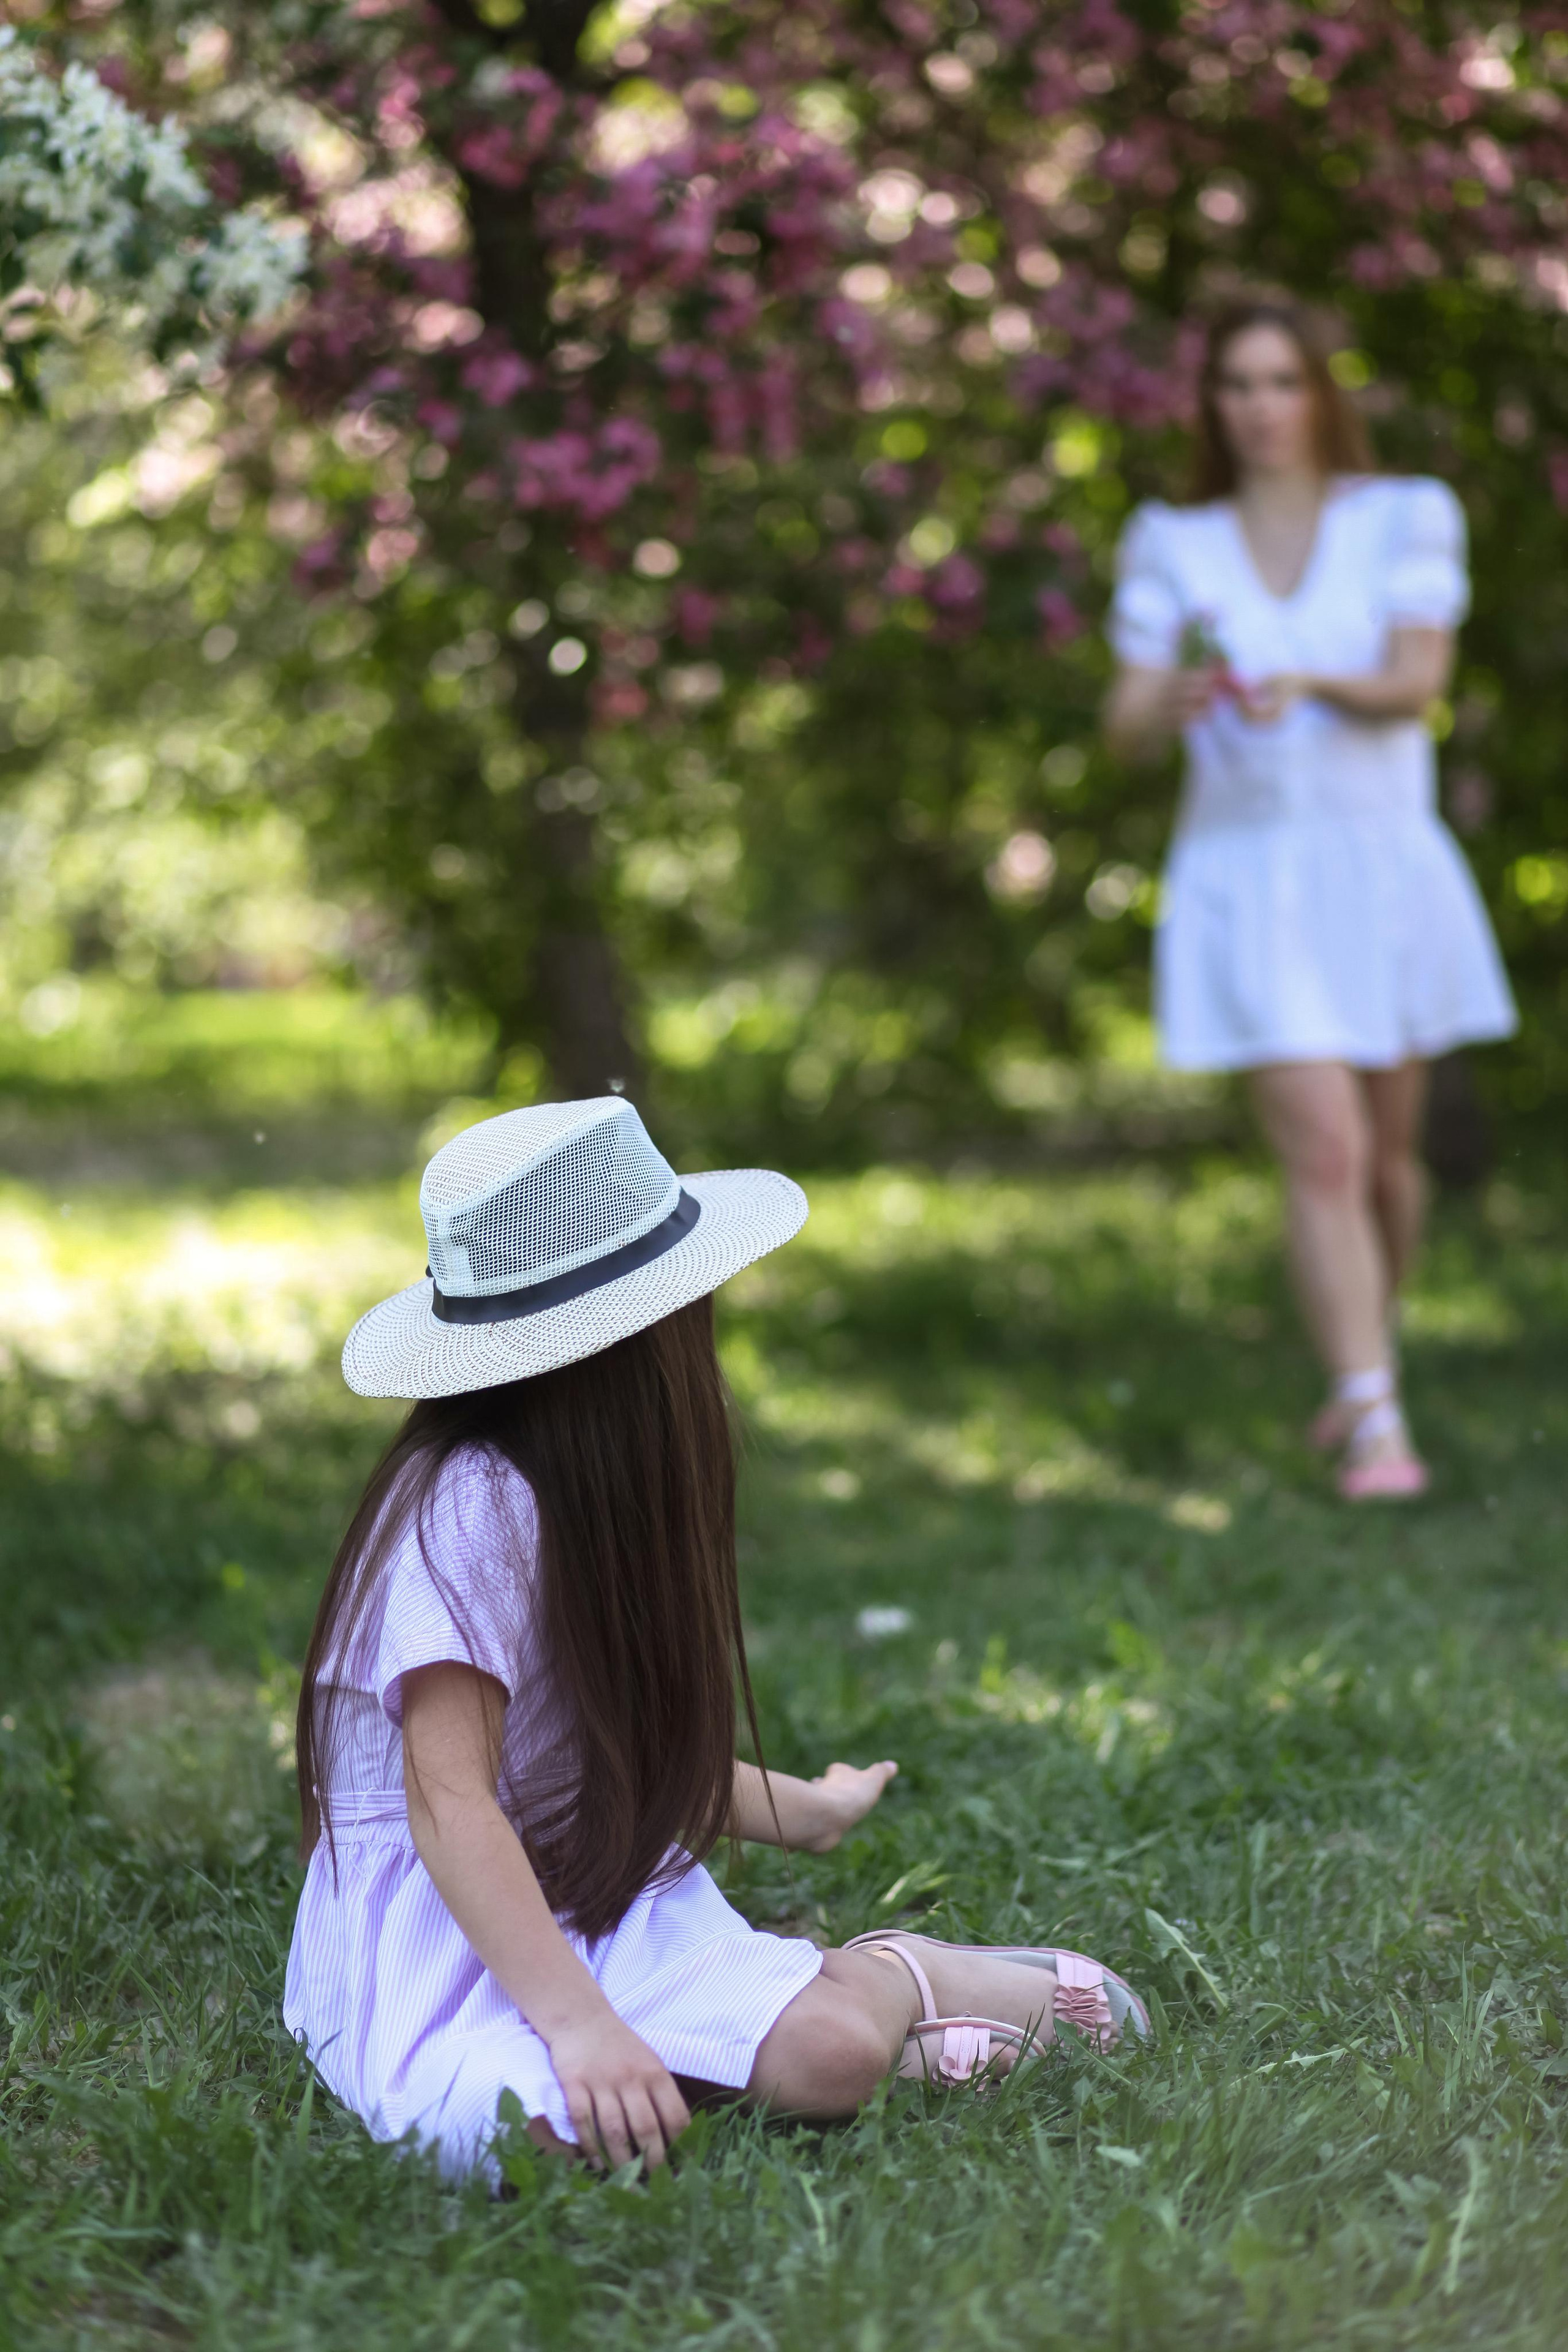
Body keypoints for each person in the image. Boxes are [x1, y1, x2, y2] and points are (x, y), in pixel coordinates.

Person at [284, 1096, 1148, 2179]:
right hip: (445, 1925)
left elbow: (597, 1757)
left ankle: (894, 1980)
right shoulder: (471, 1505)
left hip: (581, 1885)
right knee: (542, 2139)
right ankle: (791, 2042)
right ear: (655, 1335)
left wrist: (809, 1810)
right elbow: (450, 1803)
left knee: (831, 2059)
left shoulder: (578, 1494)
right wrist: (579, 2023)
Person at [1102, 297, 1515, 1499]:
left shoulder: (1403, 517)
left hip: (1380, 868)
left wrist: (1303, 678)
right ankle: (1376, 1424)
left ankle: (1355, 1372)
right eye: (1234, 384)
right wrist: (1173, 693)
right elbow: (1123, 723)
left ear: (1318, 392)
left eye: (1280, 381)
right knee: (1324, 1152)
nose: (1258, 407)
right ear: (1210, 406)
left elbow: (1414, 683)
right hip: (1246, 877)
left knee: (1387, 1164)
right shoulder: (1172, 539)